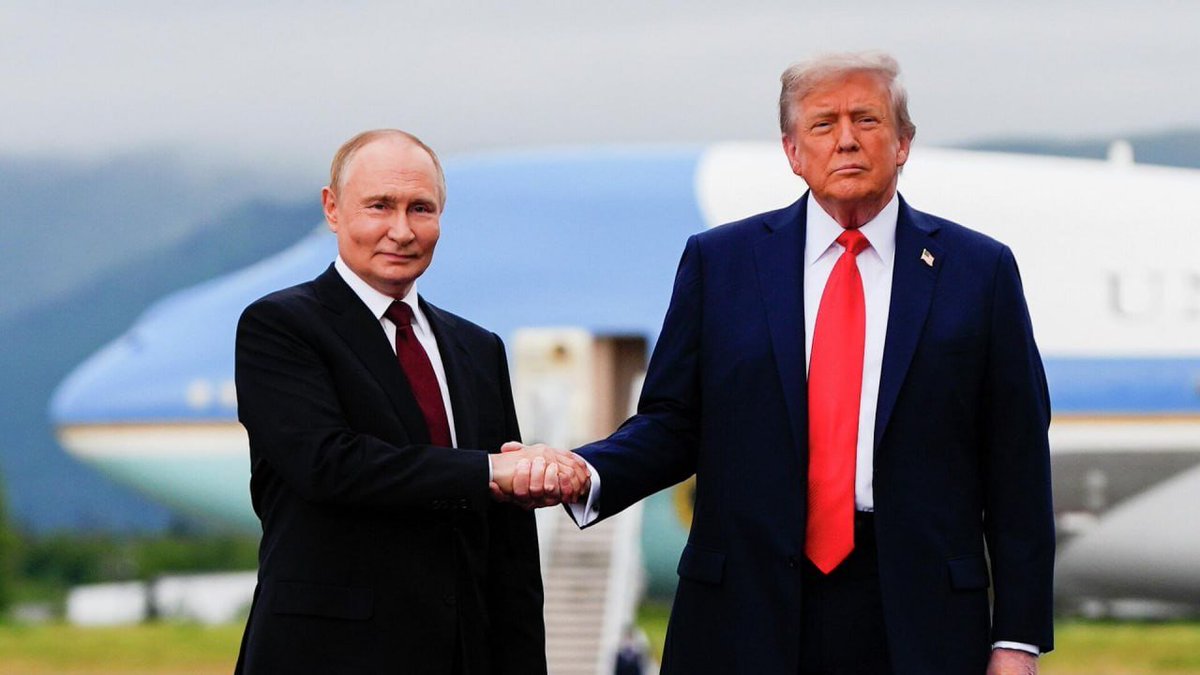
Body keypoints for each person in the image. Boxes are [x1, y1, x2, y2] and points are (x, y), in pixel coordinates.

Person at [504, 53, 1054, 674]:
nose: (846, 138)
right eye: (823, 124)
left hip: (916, 616)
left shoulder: (978, 272)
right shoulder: (722, 263)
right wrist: (584, 469)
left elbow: (1018, 464)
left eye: (867, 119)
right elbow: (672, 423)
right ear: (793, 152)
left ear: (903, 143)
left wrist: (1018, 638)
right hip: (743, 609)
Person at [232, 129, 585, 674]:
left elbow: (508, 546)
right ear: (332, 208)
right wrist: (492, 470)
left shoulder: (477, 348)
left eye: (421, 208)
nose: (401, 230)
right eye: (380, 206)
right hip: (328, 656)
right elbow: (329, 465)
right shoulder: (280, 326)